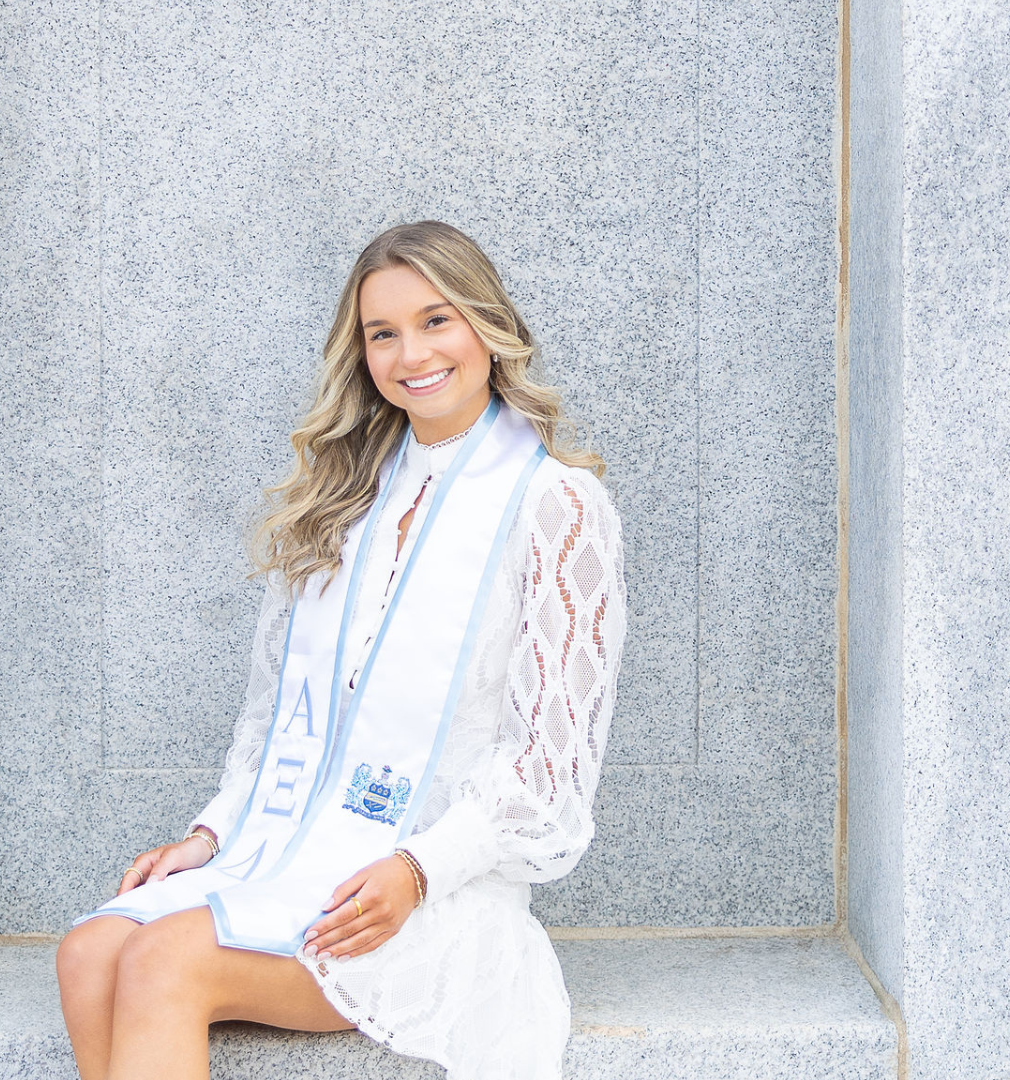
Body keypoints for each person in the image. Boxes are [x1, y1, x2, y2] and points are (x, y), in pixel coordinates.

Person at [54, 220, 627, 1080]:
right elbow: (279, 720)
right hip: (293, 852)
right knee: (89, 951)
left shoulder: (556, 506)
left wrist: (417, 870)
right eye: (382, 333)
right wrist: (213, 833)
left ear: (488, 325)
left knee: (164, 959)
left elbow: (550, 776)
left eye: (437, 320)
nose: (412, 354)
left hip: (431, 896)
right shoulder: (344, 499)